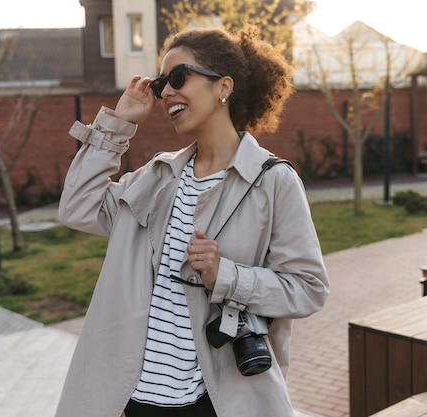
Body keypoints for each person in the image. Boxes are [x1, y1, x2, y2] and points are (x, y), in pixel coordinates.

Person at [54, 24, 329, 417]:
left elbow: (308, 288)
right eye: (162, 82)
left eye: (179, 77)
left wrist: (226, 276)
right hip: (134, 400)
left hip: (215, 402)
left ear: (224, 87)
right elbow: (77, 206)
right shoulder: (157, 177)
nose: (166, 92)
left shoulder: (272, 182)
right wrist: (119, 123)